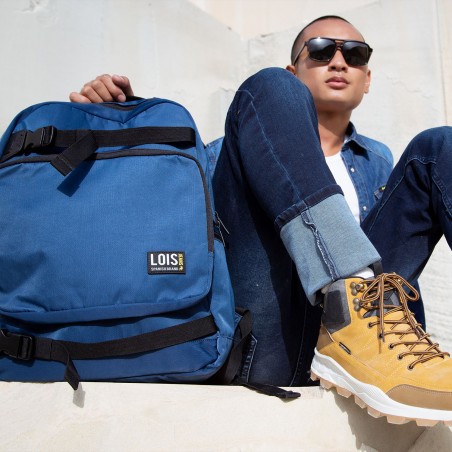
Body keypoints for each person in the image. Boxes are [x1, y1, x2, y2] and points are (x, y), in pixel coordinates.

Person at [69, 16, 452, 426]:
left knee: (439, 146)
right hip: (269, 338)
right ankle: (351, 305)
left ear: (368, 78)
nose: (339, 62)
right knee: (266, 85)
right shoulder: (221, 154)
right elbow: (156, 219)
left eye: (355, 55)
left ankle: (369, 335)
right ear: (295, 71)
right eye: (322, 50)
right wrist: (121, 122)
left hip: (362, 355)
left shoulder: (379, 163)